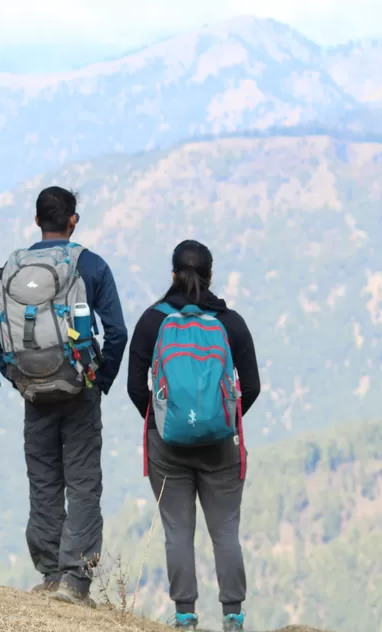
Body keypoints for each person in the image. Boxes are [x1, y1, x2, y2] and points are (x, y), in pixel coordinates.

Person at [0, 186, 128, 606]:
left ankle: (50, 574)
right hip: (79, 388)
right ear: (73, 221)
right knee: (83, 482)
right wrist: (98, 381)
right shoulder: (90, 265)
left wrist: (24, 381)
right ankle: (74, 581)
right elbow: (117, 332)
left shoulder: (12, 268)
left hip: (34, 394)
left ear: (37, 222)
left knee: (44, 481)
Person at [126, 240, 261, 631]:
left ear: (172, 275)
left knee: (177, 532)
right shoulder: (230, 322)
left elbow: (137, 387)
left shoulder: (153, 320)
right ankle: (232, 615)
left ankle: (185, 615)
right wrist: (223, 422)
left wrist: (165, 425)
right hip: (222, 447)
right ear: (211, 275)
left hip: (167, 448)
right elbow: (250, 386)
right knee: (225, 533)